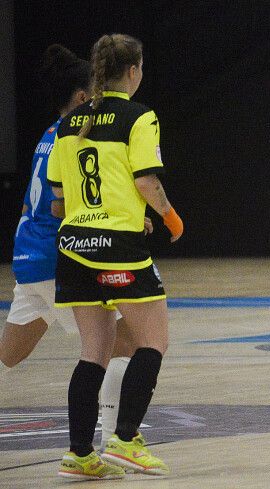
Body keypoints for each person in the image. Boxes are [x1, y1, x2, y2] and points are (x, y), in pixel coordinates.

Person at [47, 33, 183, 480]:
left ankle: (80, 454)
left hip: (73, 249)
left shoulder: (67, 124)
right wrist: (167, 215)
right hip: (118, 250)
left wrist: (118, 213)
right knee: (153, 341)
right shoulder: (138, 117)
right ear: (132, 71)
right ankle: (125, 440)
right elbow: (146, 181)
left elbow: (60, 201)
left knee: (94, 351)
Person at [2, 43, 144, 451]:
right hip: (57, 257)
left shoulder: (50, 134)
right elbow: (70, 205)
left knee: (9, 355)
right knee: (124, 341)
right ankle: (116, 440)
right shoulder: (76, 136)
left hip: (29, 256)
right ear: (83, 98)